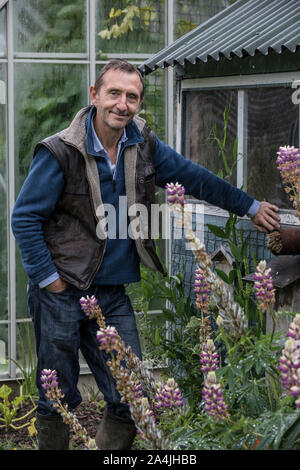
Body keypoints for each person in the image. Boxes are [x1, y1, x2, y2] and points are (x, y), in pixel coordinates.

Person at [11, 59, 280, 450]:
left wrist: (250, 207)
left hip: (111, 292)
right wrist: (49, 280)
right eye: (114, 93)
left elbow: (194, 177)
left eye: (132, 97)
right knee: (57, 398)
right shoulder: (60, 152)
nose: (123, 104)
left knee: (131, 397)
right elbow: (24, 218)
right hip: (61, 291)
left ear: (138, 103)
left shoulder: (142, 143)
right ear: (94, 96)